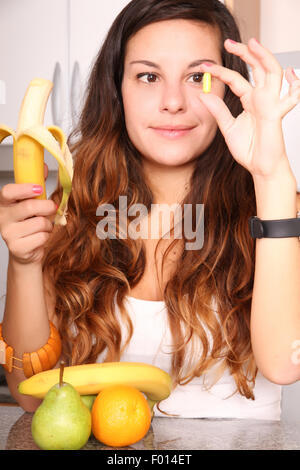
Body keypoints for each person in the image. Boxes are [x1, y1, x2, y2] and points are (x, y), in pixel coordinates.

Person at [0, 0, 300, 419]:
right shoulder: (70, 210)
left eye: (198, 76)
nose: (173, 101)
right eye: (148, 76)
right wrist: (24, 263)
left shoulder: (279, 209)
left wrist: (272, 179)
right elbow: (33, 397)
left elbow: (285, 365)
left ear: (230, 88)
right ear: (117, 90)